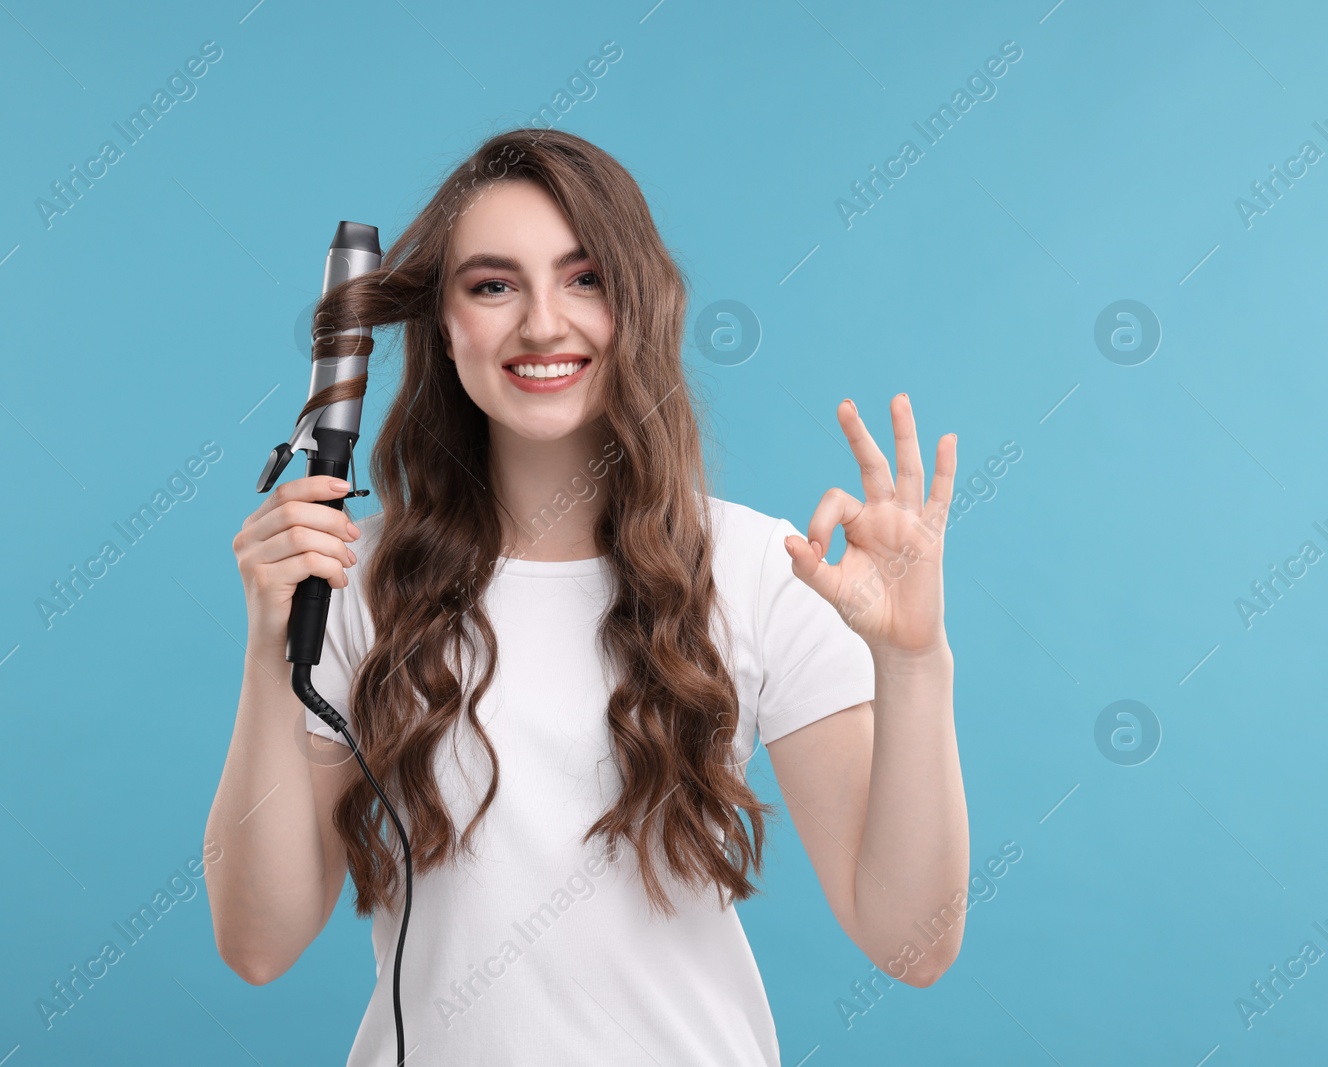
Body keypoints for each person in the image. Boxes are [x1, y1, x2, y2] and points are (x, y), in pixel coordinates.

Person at [205, 127, 968, 1066]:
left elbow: (914, 942)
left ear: (641, 302)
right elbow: (258, 942)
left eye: (584, 278)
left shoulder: (766, 567)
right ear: (444, 325)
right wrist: (267, 645)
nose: (541, 324)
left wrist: (913, 659)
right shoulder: (358, 585)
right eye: (492, 285)